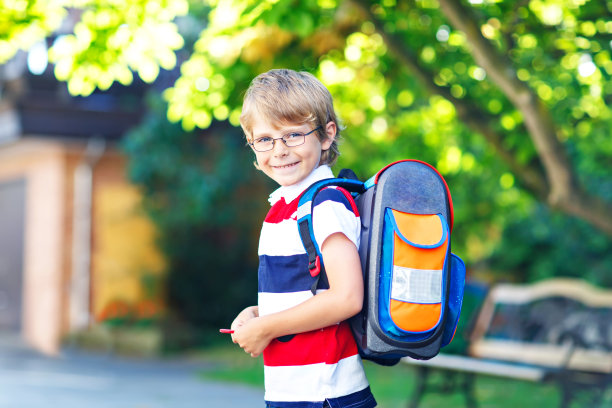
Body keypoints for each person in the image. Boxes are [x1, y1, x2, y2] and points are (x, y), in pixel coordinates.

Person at [230, 69, 377, 408]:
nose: (279, 150)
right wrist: (257, 314)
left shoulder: (324, 204)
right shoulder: (283, 207)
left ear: (326, 136)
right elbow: (308, 293)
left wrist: (266, 328)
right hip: (292, 391)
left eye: (293, 135)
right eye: (264, 139)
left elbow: (346, 297)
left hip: (326, 394)